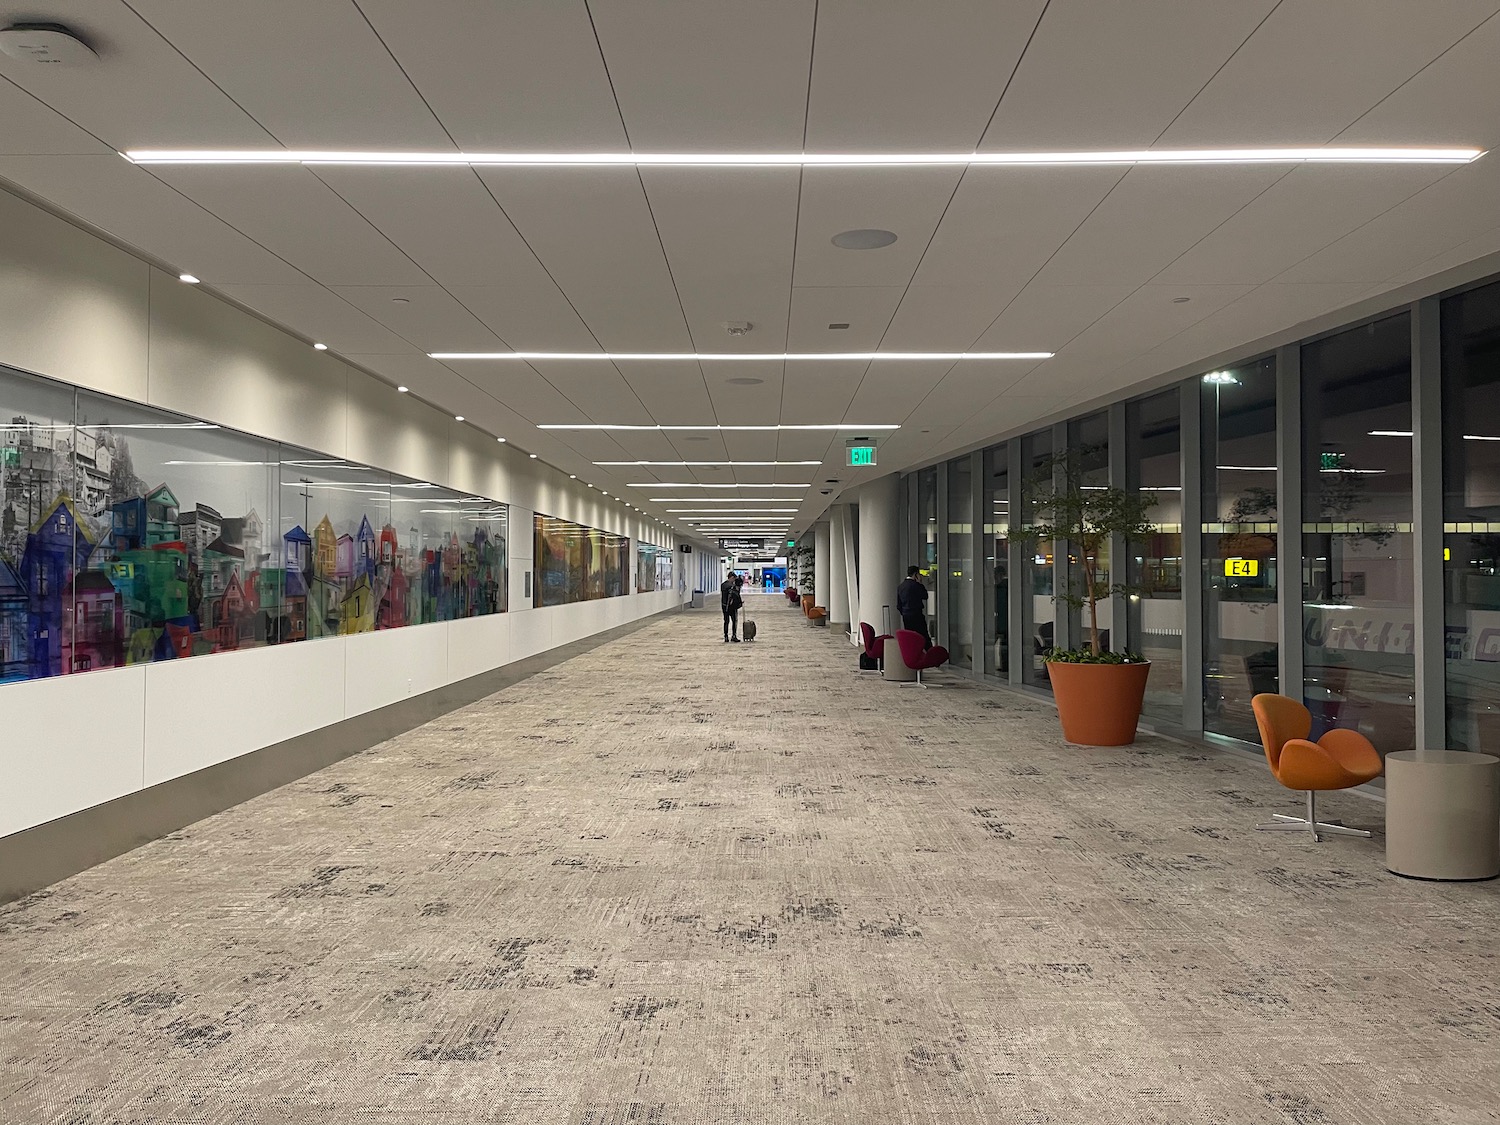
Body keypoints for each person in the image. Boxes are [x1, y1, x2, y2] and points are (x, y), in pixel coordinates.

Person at [897, 565, 931, 649]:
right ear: (915, 574)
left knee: (911, 637)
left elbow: (898, 605)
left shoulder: (901, 586)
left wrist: (904, 613)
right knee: (923, 636)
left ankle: (913, 655)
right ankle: (930, 655)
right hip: (917, 615)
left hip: (906, 616)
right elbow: (925, 596)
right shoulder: (916, 585)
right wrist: (920, 583)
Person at [721, 571, 744, 642]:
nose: (734, 580)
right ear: (731, 577)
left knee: (726, 621)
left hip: (724, 605)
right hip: (732, 607)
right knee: (734, 621)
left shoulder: (723, 585)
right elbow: (736, 596)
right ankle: (734, 636)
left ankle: (726, 636)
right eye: (734, 578)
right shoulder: (732, 586)